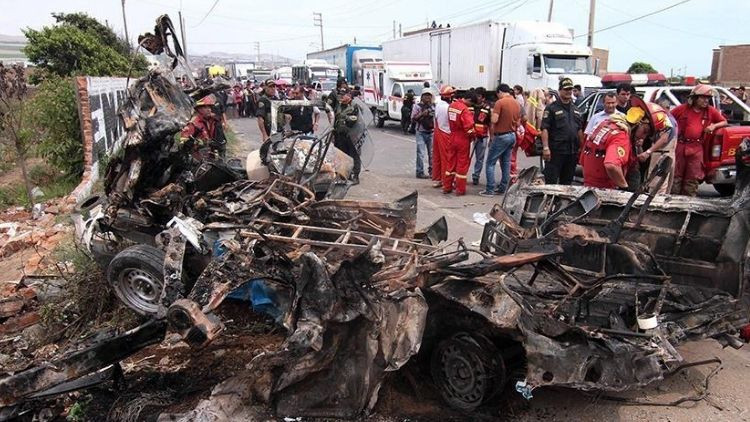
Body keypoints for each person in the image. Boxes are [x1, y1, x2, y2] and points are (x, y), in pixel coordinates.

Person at [670, 84, 728, 196]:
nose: (706, 100)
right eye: (703, 97)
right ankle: (672, 201)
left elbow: (724, 121)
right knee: (676, 177)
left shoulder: (710, 111)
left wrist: (713, 126)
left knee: (692, 178)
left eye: (708, 98)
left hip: (696, 148)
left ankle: (688, 203)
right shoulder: (682, 109)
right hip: (680, 146)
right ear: (695, 98)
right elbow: (668, 118)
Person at [580, 112, 645, 190]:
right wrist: (624, 186)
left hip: (588, 186)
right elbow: (611, 165)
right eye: (645, 131)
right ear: (637, 126)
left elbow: (583, 158)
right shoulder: (621, 136)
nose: (643, 137)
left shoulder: (603, 125)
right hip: (605, 189)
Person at [541, 78, 584, 185]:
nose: (569, 92)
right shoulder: (551, 108)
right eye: (566, 89)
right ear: (560, 90)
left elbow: (579, 130)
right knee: (551, 182)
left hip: (571, 153)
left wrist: (582, 147)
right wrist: (545, 148)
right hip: (556, 152)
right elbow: (544, 128)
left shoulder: (576, 109)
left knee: (567, 183)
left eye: (570, 89)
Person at [481, 84, 520, 196]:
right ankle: (503, 188)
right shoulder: (516, 103)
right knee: (506, 163)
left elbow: (494, 120)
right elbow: (518, 122)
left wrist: (492, 114)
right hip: (512, 135)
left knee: (490, 163)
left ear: (500, 92)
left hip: (501, 136)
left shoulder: (500, 102)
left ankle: (490, 189)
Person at [443, 91, 476, 196]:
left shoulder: (452, 106)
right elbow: (469, 127)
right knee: (462, 164)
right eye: (471, 103)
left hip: (452, 136)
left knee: (451, 162)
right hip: (462, 139)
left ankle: (447, 187)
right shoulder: (464, 110)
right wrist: (473, 136)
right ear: (469, 100)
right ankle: (460, 189)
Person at [179, 95, 225, 159]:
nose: (209, 110)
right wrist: (198, 143)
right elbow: (183, 144)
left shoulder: (213, 120)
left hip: (211, 155)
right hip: (197, 158)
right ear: (199, 109)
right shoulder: (194, 124)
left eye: (209, 107)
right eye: (205, 107)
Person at [333, 92, 362, 185]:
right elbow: (335, 118)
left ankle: (355, 176)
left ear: (349, 96)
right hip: (340, 135)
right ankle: (344, 175)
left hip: (352, 135)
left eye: (343, 95)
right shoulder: (339, 106)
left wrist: (346, 118)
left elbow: (357, 120)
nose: (341, 97)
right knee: (342, 155)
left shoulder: (355, 106)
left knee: (354, 155)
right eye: (340, 95)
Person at [433, 86, 454, 188]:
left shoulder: (438, 105)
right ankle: (446, 181)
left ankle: (438, 179)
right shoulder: (447, 108)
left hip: (438, 131)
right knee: (446, 159)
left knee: (438, 158)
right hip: (445, 133)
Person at [470, 87, 492, 185]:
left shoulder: (486, 109)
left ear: (483, 98)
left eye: (478, 96)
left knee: (479, 158)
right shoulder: (470, 106)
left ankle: (476, 176)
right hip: (470, 135)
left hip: (482, 137)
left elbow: (491, 124)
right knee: (466, 156)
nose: (476, 98)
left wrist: (491, 138)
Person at [411, 91, 435, 179]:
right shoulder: (417, 106)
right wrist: (422, 114)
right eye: (426, 96)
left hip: (431, 132)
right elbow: (413, 119)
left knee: (432, 154)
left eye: (429, 96)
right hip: (420, 132)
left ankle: (432, 172)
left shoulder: (433, 106)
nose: (428, 98)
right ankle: (419, 172)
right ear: (422, 97)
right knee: (420, 153)